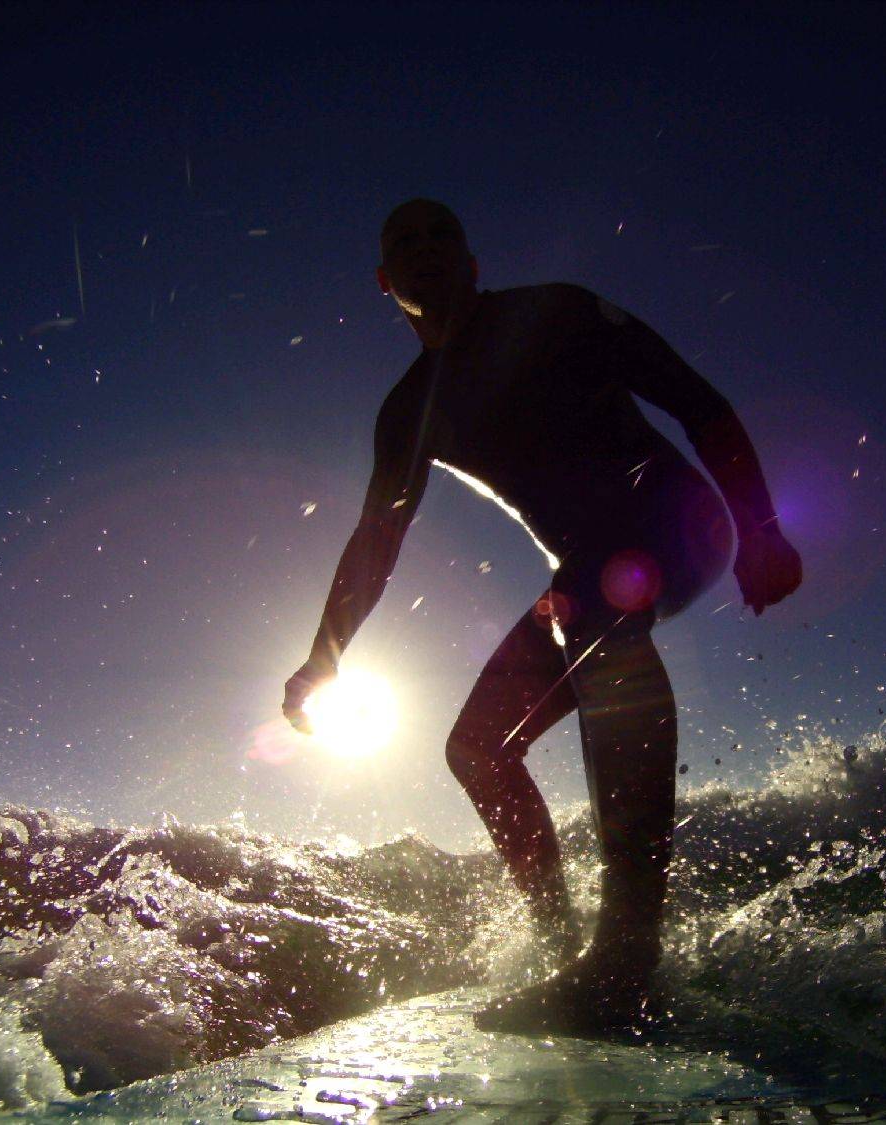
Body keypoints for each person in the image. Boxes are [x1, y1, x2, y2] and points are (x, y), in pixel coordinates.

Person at [284, 199, 801, 1033]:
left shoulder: (556, 312)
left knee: (596, 612)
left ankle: (625, 954)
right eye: (404, 242)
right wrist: (324, 656)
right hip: (584, 576)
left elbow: (694, 398)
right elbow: (377, 537)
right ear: (385, 282)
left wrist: (763, 526)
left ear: (472, 261)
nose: (424, 248)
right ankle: (561, 943)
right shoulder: (410, 410)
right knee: (475, 748)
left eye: (441, 233)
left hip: (678, 518)